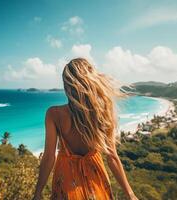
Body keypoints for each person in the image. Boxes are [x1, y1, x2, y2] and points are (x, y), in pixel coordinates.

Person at [32, 58, 138, 200]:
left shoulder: (54, 114)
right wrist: (130, 194)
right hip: (97, 180)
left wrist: (38, 193)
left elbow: (49, 157)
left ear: (66, 86)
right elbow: (112, 157)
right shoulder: (103, 112)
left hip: (67, 182)